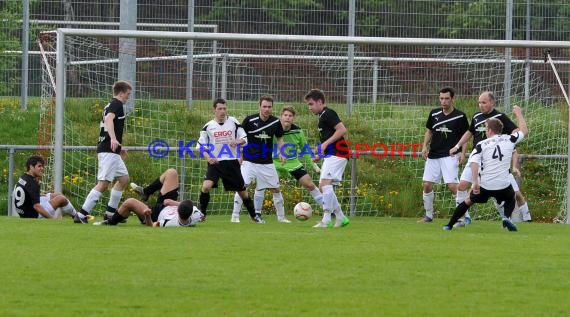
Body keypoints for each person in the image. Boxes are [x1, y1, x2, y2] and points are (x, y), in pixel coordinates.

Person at [444, 105, 528, 231]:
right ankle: (506, 217)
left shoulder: (481, 144)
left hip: (485, 184)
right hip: (503, 185)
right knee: (511, 196)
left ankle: (449, 225)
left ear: (489, 131)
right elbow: (524, 131)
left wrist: (475, 183)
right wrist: (519, 114)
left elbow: (474, 163)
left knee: (467, 201)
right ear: (501, 130)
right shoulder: (510, 139)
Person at [195, 98, 259, 223]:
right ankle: (202, 213)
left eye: (224, 108)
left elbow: (245, 138)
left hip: (231, 161)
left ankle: (254, 216)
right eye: (219, 109)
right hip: (216, 162)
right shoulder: (208, 126)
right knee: (206, 186)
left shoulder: (233, 122)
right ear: (214, 110)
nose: (222, 111)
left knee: (242, 192)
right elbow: (200, 146)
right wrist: (209, 158)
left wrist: (237, 141)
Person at [76, 80, 132, 224]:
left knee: (124, 180)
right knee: (103, 184)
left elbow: (110, 124)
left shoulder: (111, 104)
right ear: (121, 93)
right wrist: (113, 139)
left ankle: (110, 214)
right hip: (108, 150)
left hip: (112, 150)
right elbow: (108, 119)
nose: (128, 97)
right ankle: (81, 215)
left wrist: (119, 145)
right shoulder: (117, 104)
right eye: (127, 94)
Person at [231, 95, 287, 224]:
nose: (267, 109)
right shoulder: (250, 120)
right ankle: (234, 216)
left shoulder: (276, 122)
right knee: (242, 186)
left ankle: (281, 218)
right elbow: (240, 137)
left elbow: (279, 138)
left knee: (275, 189)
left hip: (266, 162)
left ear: (272, 107)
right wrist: (239, 155)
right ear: (259, 106)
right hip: (249, 161)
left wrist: (282, 152)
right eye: (264, 106)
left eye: (269, 107)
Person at [418, 87, 469, 223]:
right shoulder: (434, 114)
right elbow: (429, 131)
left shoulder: (460, 116)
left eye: (446, 98)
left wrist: (463, 154)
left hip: (450, 155)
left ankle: (463, 215)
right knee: (427, 185)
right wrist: (424, 146)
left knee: (453, 186)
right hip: (434, 155)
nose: (443, 101)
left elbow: (466, 137)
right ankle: (429, 216)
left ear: (452, 99)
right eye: (441, 98)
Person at [305, 89, 350, 228]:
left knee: (325, 185)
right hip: (333, 154)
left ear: (320, 102)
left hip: (339, 154)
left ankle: (326, 220)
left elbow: (342, 130)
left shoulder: (328, 113)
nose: (309, 107)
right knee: (323, 186)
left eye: (311, 104)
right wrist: (321, 154)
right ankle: (341, 218)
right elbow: (331, 139)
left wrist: (323, 144)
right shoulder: (322, 116)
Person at [100, 168, 203, 227]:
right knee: (171, 173)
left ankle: (110, 221)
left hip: (155, 214)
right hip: (167, 204)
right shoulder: (195, 215)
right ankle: (146, 192)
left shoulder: (170, 223)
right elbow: (194, 209)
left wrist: (148, 216)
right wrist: (173, 202)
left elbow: (153, 225)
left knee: (129, 202)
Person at [273, 106, 324, 208]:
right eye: (285, 115)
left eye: (290, 116)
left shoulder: (298, 131)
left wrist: (315, 167)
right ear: (281, 117)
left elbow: (305, 151)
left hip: (293, 162)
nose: (287, 118)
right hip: (274, 163)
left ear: (293, 118)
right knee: (271, 187)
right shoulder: (273, 129)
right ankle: (257, 214)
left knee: (309, 184)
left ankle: (328, 210)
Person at [12, 155, 80, 221]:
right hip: (33, 215)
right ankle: (76, 216)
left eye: (42, 166)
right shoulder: (33, 183)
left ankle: (76, 215)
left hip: (23, 210)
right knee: (61, 198)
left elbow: (25, 192)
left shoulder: (23, 177)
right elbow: (37, 206)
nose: (42, 168)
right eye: (39, 166)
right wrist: (51, 219)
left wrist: (38, 195)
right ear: (31, 167)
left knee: (57, 194)